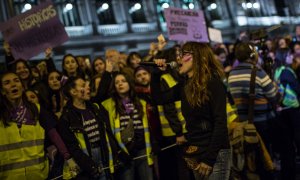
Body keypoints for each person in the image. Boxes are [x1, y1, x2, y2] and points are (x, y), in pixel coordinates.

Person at [152, 42, 231, 180]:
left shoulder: (213, 83)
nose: (179, 59)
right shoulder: (185, 85)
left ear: (198, 57)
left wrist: (209, 159)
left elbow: (220, 122)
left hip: (215, 152)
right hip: (195, 150)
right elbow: (159, 99)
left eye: (184, 55)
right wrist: (156, 74)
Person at [0, 72, 73, 179]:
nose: (13, 84)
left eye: (16, 81)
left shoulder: (36, 110)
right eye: (7, 83)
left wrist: (67, 156)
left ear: (22, 86)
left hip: (38, 174)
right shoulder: (1, 114)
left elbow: (53, 134)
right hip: (9, 176)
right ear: (2, 91)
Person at [58, 77, 126, 179]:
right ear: (73, 92)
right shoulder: (66, 117)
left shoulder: (95, 108)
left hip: (103, 152)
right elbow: (72, 147)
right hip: (85, 159)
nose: (88, 87)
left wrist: (116, 154)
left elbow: (108, 133)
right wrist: (90, 165)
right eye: (83, 85)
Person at [228, 42, 278, 179]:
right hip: (263, 123)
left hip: (244, 124)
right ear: (253, 55)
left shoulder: (231, 74)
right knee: (265, 158)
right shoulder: (258, 72)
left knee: (251, 161)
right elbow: (273, 95)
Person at [102, 72, 154, 180]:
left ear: (130, 83)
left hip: (142, 149)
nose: (120, 84)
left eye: (123, 81)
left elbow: (149, 126)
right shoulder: (108, 104)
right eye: (117, 82)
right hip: (123, 151)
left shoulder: (141, 102)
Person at [274, 53, 300, 180]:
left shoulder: (277, 71)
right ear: (284, 57)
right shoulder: (287, 71)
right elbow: (296, 88)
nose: (291, 57)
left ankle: (288, 172)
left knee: (287, 144)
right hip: (292, 108)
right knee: (296, 139)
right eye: (289, 55)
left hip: (281, 109)